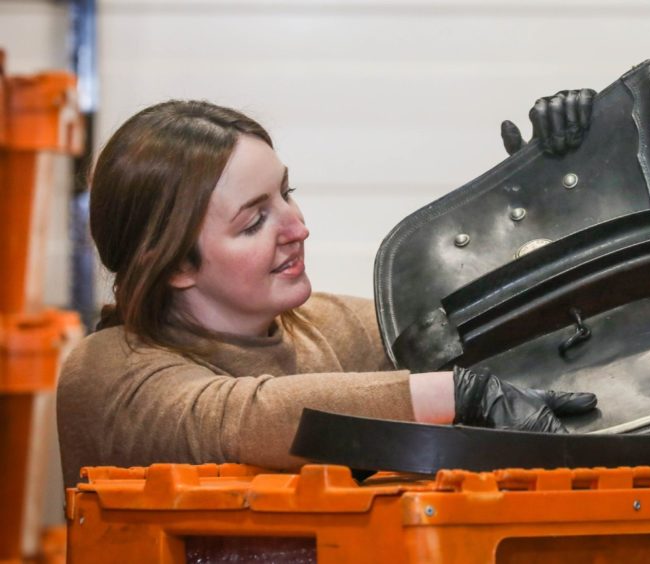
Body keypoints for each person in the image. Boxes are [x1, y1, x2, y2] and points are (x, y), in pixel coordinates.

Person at [57, 91, 598, 487]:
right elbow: (239, 418)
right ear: (174, 263)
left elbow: (501, 318)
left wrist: (558, 192)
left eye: (287, 194)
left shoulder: (324, 327)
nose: (297, 227)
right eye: (254, 221)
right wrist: (456, 394)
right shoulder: (106, 372)